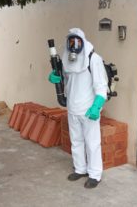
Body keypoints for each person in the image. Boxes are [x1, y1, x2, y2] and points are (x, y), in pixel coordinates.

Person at [48, 28, 108, 188]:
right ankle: (80, 168)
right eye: (71, 42)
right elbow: (65, 80)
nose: (74, 45)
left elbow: (101, 86)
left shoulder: (93, 59)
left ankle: (95, 174)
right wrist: (55, 77)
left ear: (83, 41)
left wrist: (97, 106)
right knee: (76, 141)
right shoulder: (68, 59)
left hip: (89, 110)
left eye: (77, 41)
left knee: (92, 142)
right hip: (72, 108)